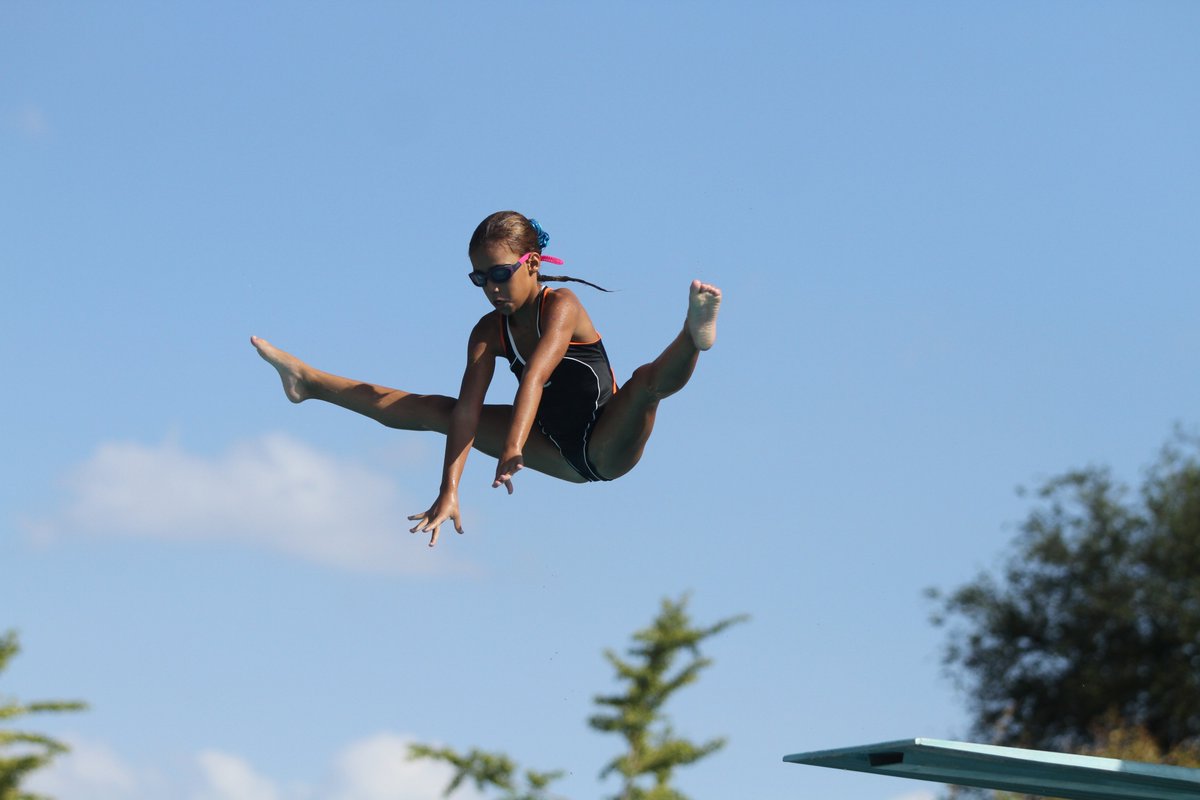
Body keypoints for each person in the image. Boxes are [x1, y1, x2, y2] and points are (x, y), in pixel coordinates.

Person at [251, 211, 721, 546]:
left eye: (499, 274)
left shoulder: (561, 307)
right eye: (480, 279)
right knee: (442, 409)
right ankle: (309, 382)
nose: (492, 288)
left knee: (644, 385)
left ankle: (692, 335)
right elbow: (468, 412)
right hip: (552, 449)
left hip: (604, 443)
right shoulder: (486, 331)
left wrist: (514, 446)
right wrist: (448, 489)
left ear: (531, 264)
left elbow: (535, 375)